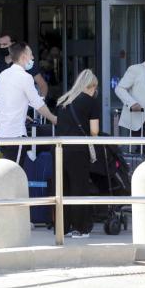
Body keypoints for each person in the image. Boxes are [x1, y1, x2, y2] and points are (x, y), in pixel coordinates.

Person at [55, 69, 101, 239]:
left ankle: (63, 227)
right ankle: (80, 228)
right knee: (79, 188)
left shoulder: (63, 101)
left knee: (63, 189)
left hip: (60, 149)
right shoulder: (91, 102)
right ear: (92, 86)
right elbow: (94, 131)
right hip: (79, 150)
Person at [0, 42, 58, 164]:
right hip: (15, 134)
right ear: (23, 56)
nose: (33, 58)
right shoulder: (25, 77)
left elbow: (3, 103)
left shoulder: (3, 75)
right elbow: (38, 104)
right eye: (31, 54)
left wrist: (23, 115)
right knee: (15, 171)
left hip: (1, 132)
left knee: (7, 169)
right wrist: (53, 118)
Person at [0, 33, 48, 127]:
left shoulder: (26, 62)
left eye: (5, 44)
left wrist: (40, 105)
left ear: (13, 44)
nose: (2, 47)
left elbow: (42, 85)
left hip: (25, 112)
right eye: (0, 44)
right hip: (3, 112)